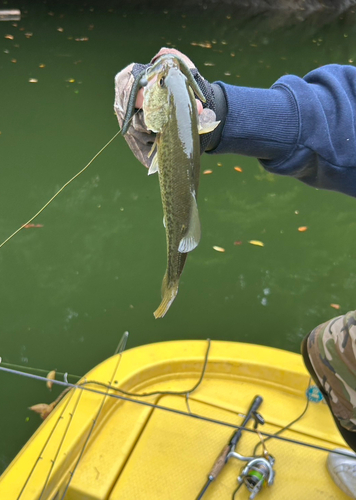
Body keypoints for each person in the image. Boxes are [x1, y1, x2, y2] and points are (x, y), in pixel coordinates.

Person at [114, 47, 356, 499]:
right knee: (329, 349)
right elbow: (347, 114)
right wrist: (223, 110)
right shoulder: (200, 118)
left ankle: (172, 281)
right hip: (196, 128)